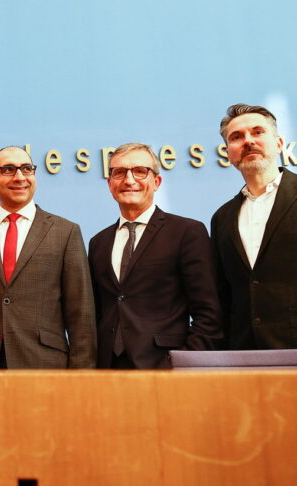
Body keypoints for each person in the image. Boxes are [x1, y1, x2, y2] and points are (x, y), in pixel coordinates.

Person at [0, 146, 96, 369]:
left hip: (45, 365)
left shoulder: (65, 232)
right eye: (8, 169)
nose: (19, 177)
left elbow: (81, 317)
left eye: (26, 169)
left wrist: (80, 380)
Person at [88, 143, 222, 369]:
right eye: (119, 173)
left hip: (166, 367)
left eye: (140, 171)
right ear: (110, 184)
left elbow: (208, 313)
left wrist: (184, 364)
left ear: (156, 182)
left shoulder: (186, 232)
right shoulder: (98, 242)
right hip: (108, 370)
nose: (129, 180)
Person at [212, 103, 297, 349]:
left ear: (279, 143)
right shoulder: (222, 218)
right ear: (228, 153)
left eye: (258, 132)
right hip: (245, 354)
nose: (248, 141)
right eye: (236, 137)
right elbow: (224, 294)